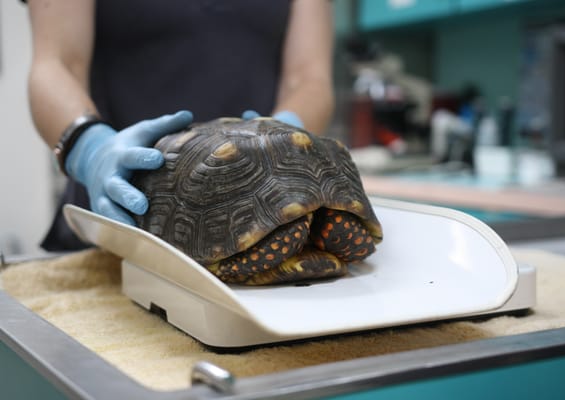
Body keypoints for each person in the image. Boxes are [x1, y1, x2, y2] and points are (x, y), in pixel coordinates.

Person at [26, 0, 334, 251]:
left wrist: (284, 134)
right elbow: (56, 65)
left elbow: (309, 78)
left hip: (262, 223)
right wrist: (90, 150)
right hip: (121, 222)